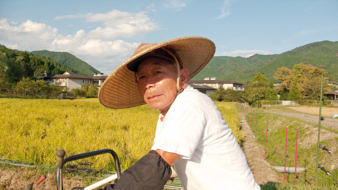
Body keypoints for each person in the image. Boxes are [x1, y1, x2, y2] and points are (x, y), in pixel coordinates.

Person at [98, 36, 260, 190]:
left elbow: (157, 164)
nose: (149, 84)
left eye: (157, 73)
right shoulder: (167, 115)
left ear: (182, 78)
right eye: (142, 77)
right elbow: (163, 164)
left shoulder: (190, 103)